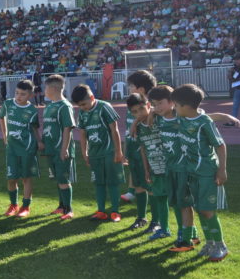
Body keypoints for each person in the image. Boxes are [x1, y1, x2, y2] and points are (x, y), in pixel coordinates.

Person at [168, 84, 230, 262]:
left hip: (207, 172)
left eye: (176, 105)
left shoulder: (204, 122)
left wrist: (222, 170)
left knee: (208, 210)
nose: (174, 108)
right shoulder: (184, 118)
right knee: (200, 208)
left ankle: (220, 245)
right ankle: (209, 243)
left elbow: (220, 145)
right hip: (191, 171)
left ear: (186, 106)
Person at [72, 83, 125, 222]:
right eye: (79, 106)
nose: (82, 107)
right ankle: (101, 211)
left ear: (92, 97)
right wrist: (85, 153)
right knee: (98, 183)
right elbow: (83, 134)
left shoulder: (104, 107)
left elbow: (114, 129)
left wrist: (118, 151)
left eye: (84, 104)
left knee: (112, 182)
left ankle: (115, 212)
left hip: (109, 152)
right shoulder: (82, 112)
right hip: (94, 154)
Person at [127, 93, 171, 240]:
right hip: (153, 166)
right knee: (156, 194)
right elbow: (143, 149)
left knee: (178, 201)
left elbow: (173, 110)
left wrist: (152, 112)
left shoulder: (159, 118)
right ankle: (155, 223)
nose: (139, 114)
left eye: (141, 109)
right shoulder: (139, 127)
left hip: (170, 165)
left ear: (148, 105)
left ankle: (184, 233)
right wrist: (146, 169)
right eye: (135, 112)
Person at [0, 80, 42, 218]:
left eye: (23, 94)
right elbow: (1, 117)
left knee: (26, 177)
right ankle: (13, 205)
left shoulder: (32, 110)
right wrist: (4, 134)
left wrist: (39, 141)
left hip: (27, 148)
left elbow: (34, 128)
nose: (18, 96)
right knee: (11, 178)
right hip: (11, 148)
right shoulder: (8, 104)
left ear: (30, 95)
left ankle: (25, 206)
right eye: (17, 93)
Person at [42, 74, 76, 220]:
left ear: (53, 88)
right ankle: (61, 206)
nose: (44, 90)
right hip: (50, 149)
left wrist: (64, 148)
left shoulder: (65, 106)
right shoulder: (49, 106)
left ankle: (69, 209)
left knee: (63, 179)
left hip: (60, 149)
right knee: (57, 178)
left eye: (46, 87)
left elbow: (68, 128)